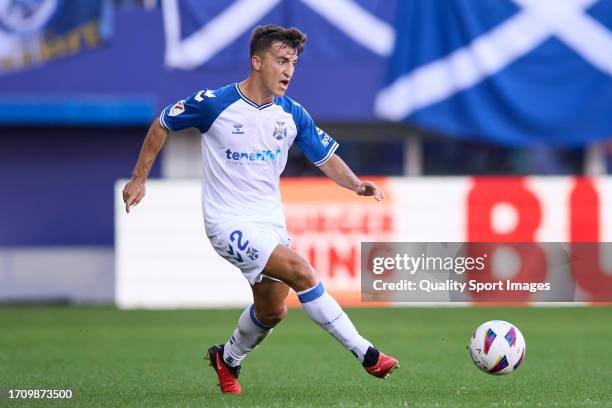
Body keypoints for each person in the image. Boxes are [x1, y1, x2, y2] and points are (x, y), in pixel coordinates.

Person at [122, 24, 399, 395]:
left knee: (272, 311)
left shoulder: (292, 114)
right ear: (257, 61)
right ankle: (367, 353)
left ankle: (228, 358)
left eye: (294, 63)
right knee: (302, 271)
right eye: (281, 60)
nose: (289, 71)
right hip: (226, 223)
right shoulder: (215, 103)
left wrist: (355, 183)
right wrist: (139, 178)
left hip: (269, 223)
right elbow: (162, 124)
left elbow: (325, 157)